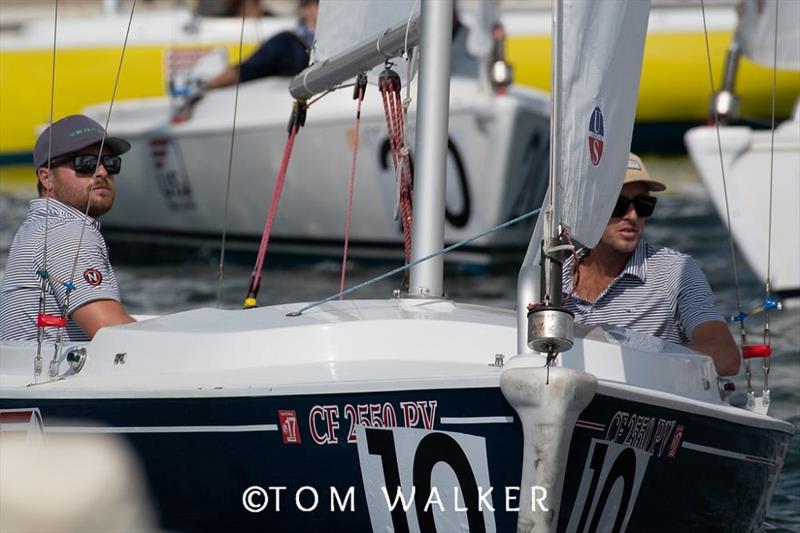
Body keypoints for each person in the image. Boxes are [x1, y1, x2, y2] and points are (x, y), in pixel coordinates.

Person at [561, 153, 741, 376]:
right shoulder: (552, 275)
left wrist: (633, 359)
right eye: (619, 204)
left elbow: (726, 355)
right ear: (588, 208)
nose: (633, 215)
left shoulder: (676, 270)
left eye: (644, 204)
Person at [0, 115, 136, 342]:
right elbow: (110, 331)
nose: (102, 172)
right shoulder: (65, 232)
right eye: (86, 163)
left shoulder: (38, 227)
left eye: (110, 163)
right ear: (46, 178)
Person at [206, 0, 318, 90]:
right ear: (304, 9)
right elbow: (245, 70)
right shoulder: (287, 42)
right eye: (317, 3)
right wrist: (208, 86)